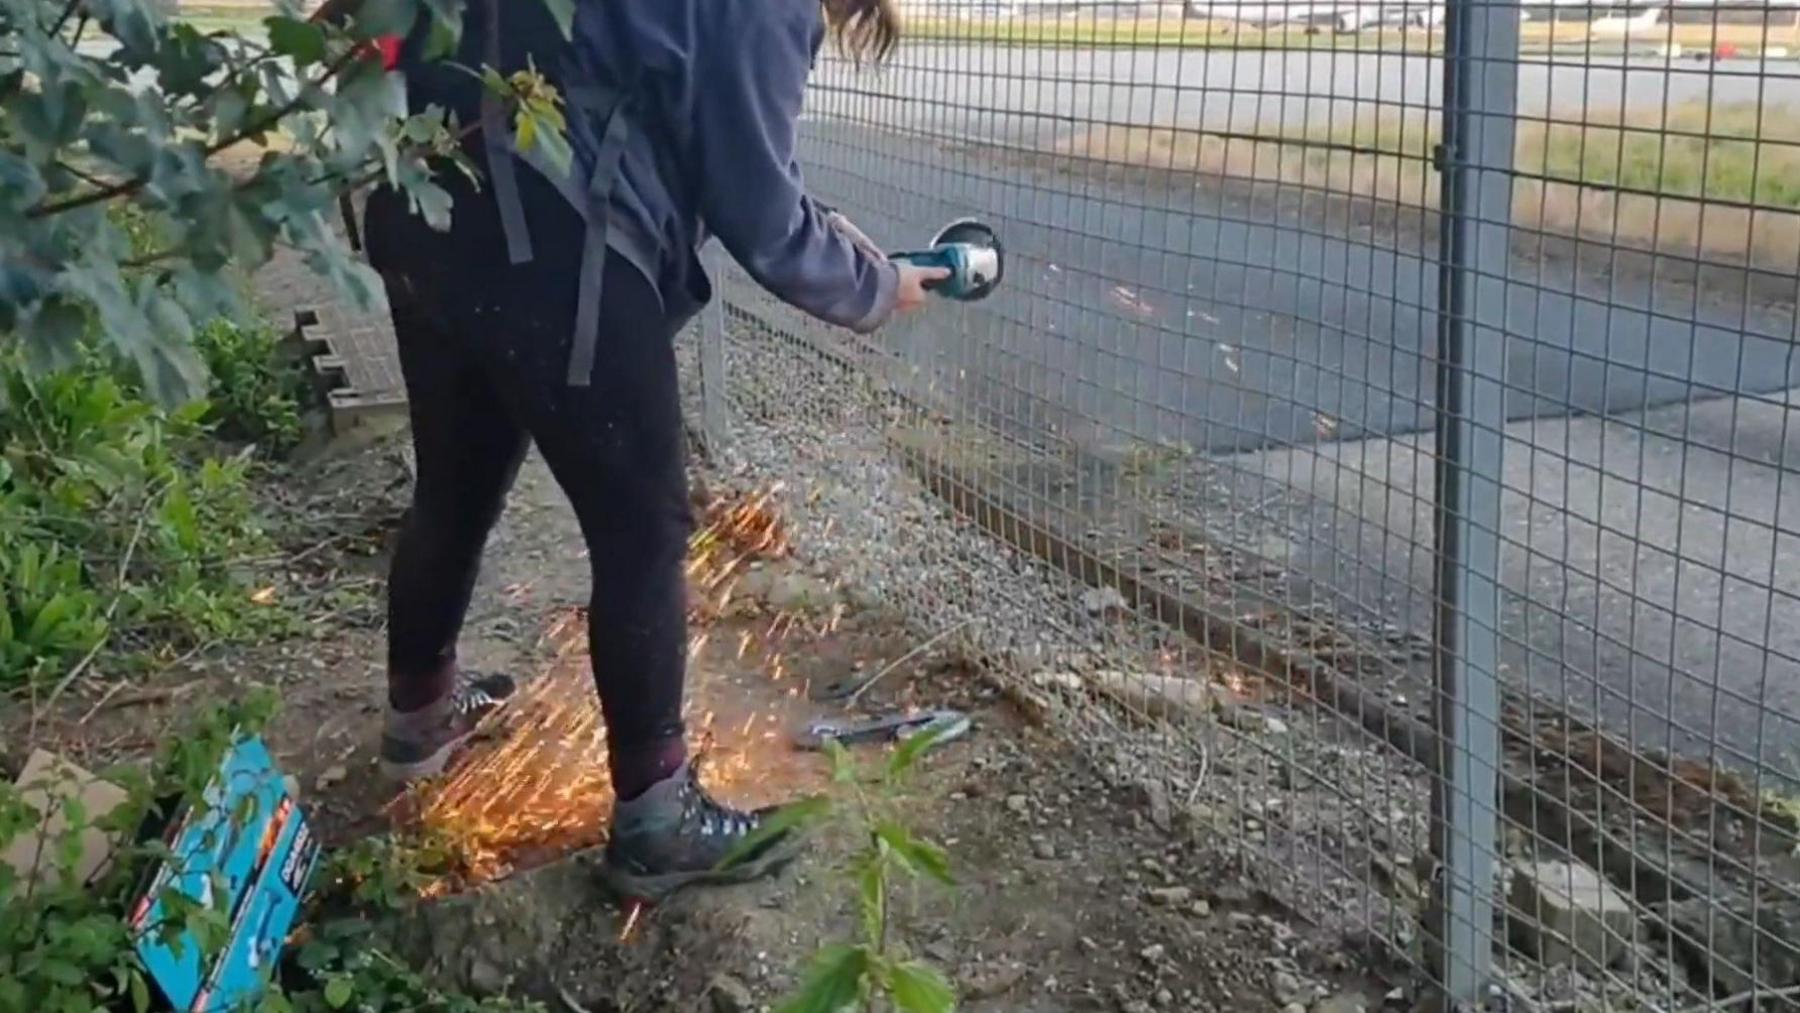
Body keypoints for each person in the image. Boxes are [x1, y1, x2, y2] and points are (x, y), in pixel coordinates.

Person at [357, 0, 947, 903]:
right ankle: (657, 823)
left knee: (453, 486)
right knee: (644, 534)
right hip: (556, 245)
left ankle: (420, 717)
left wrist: (827, 228)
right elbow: (761, 213)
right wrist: (878, 284)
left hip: (428, 211)